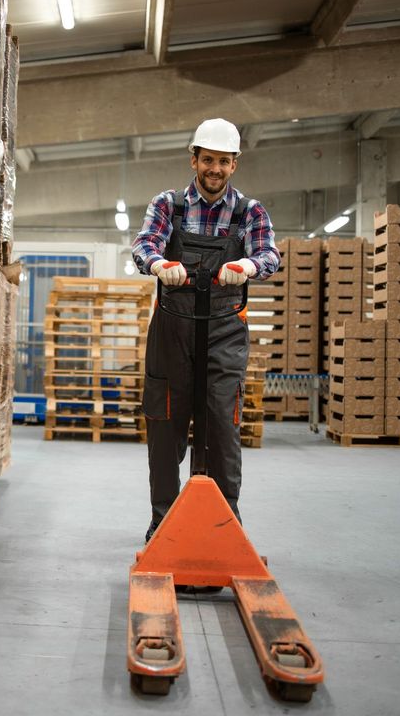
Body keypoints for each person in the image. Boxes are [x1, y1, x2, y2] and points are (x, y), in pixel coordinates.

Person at [132, 117, 281, 551]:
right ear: (194, 159)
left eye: (224, 162)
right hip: (172, 333)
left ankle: (225, 529)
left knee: (222, 427)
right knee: (164, 427)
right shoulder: (169, 205)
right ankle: (162, 524)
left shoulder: (249, 211)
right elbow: (145, 244)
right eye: (208, 160)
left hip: (224, 334)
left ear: (234, 165)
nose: (215, 169)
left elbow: (270, 252)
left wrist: (249, 266)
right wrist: (159, 264)